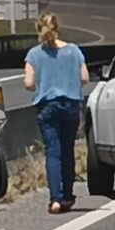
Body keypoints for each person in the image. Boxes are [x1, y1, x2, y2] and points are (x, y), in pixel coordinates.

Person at [23, 13, 89, 215]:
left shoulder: (34, 54)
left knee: (53, 152)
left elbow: (28, 83)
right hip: (70, 105)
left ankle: (55, 199)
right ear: (58, 28)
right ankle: (68, 196)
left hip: (47, 106)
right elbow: (85, 78)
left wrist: (43, 82)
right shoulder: (74, 51)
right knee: (68, 150)